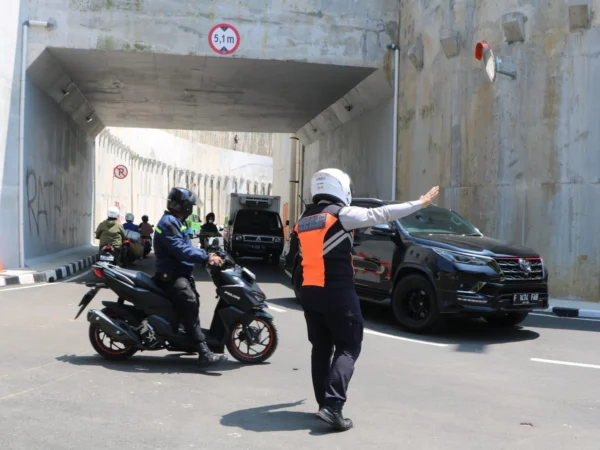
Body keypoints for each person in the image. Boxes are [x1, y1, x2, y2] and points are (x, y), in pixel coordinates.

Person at [295, 168, 439, 431]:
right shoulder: (341, 214)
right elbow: (380, 214)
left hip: (309, 290)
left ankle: (323, 405)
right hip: (336, 290)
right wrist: (419, 203)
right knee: (349, 346)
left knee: (321, 348)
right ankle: (333, 406)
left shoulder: (305, 217)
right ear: (341, 188)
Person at [153, 187, 228, 366]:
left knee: (193, 302)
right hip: (171, 275)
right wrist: (205, 257)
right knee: (189, 303)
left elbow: (189, 246)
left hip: (180, 273)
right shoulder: (168, 223)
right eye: (190, 205)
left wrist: (210, 252)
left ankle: (186, 338)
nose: (191, 209)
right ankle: (203, 352)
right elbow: (180, 250)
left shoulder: (177, 222)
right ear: (183, 206)